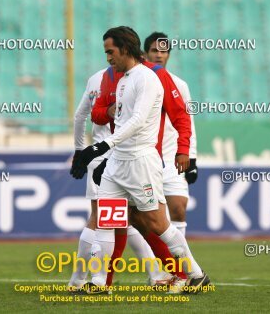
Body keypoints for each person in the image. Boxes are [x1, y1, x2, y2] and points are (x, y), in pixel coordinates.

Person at [74, 26, 209, 293]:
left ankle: (194, 272)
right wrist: (104, 155)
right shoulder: (122, 79)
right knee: (106, 218)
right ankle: (99, 282)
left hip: (140, 161)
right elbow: (112, 117)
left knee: (157, 223)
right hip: (118, 161)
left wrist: (100, 146)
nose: (108, 58)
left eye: (110, 52)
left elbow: (137, 122)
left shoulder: (148, 79)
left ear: (125, 48)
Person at [143, 32, 199, 236]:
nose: (159, 55)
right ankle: (159, 264)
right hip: (145, 157)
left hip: (171, 156)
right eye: (154, 50)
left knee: (178, 208)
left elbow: (188, 121)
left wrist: (191, 158)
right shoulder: (139, 81)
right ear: (145, 53)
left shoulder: (180, 85)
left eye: (164, 51)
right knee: (146, 217)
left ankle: (177, 266)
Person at [67, 68, 114, 291]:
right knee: (107, 218)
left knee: (102, 217)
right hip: (123, 156)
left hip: (97, 154)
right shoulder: (136, 78)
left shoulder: (95, 78)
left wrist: (79, 150)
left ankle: (78, 280)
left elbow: (79, 116)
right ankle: (96, 280)